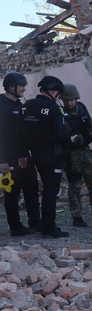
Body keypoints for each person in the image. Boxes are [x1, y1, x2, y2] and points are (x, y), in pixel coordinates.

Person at [23, 76, 75, 239]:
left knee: (45, 190)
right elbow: (61, 134)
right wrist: (70, 141)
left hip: (35, 155)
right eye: (58, 94)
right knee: (51, 191)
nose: (58, 97)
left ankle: (42, 224)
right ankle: (49, 228)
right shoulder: (53, 109)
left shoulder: (28, 105)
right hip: (53, 155)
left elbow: (21, 132)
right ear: (53, 92)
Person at [61, 83, 92, 227]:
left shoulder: (81, 108)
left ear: (76, 99)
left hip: (86, 152)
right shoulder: (59, 113)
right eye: (66, 100)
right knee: (74, 187)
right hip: (71, 155)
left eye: (72, 100)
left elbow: (90, 128)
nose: (69, 103)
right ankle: (77, 217)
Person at [0, 72, 42, 236]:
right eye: (21, 85)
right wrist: (2, 160)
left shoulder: (20, 105)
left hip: (23, 155)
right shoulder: (1, 105)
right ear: (11, 87)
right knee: (12, 192)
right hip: (8, 156)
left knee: (32, 187)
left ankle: (35, 222)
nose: (24, 89)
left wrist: (25, 154)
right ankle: (16, 227)